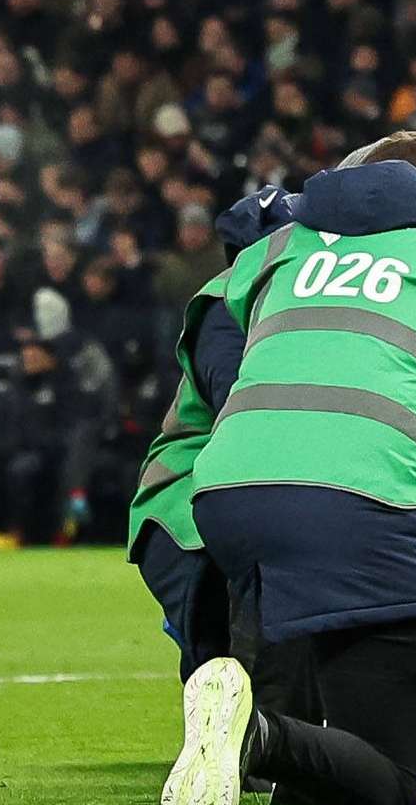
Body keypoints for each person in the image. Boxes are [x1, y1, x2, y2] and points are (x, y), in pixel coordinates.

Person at [161, 132, 416, 805]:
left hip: (229, 494)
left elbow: (209, 328)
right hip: (372, 501)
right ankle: (257, 735)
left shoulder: (277, 250)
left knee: (327, 662)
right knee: (387, 790)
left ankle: (248, 732)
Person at [127, 182, 302, 667]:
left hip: (234, 497)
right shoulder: (225, 303)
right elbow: (240, 412)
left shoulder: (293, 303)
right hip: (189, 499)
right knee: (224, 656)